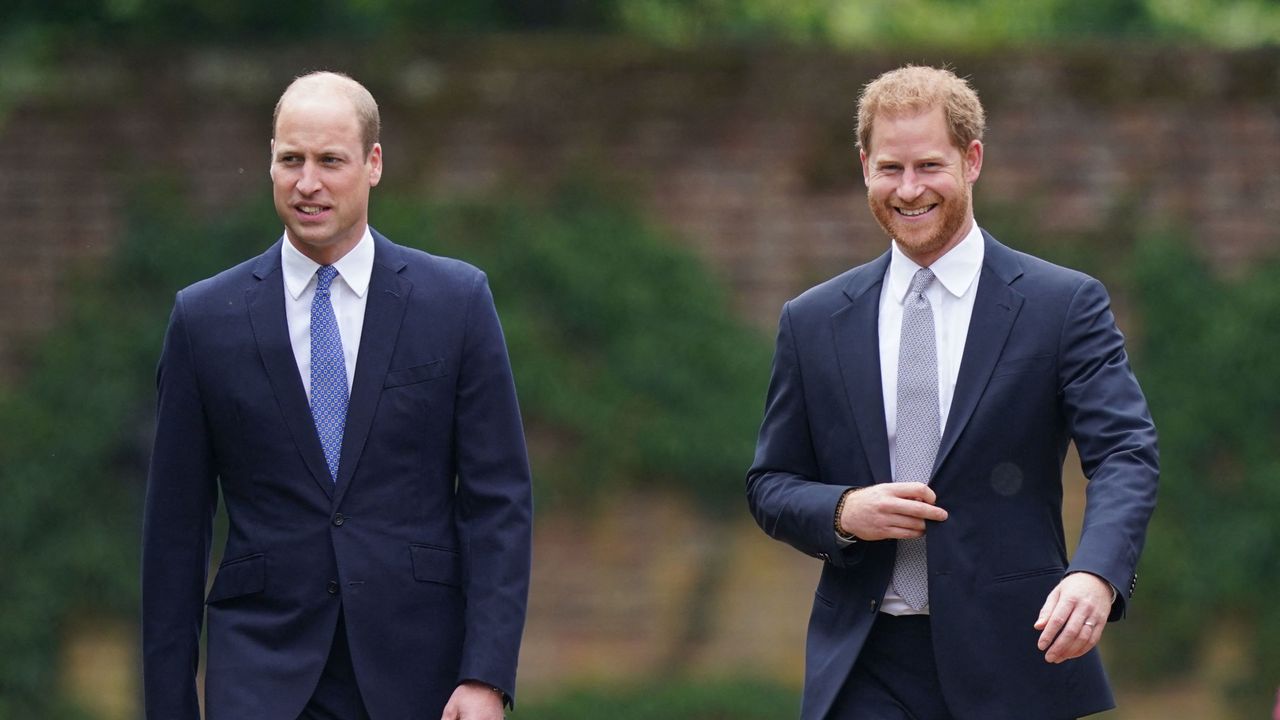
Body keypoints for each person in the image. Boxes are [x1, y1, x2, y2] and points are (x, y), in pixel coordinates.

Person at [745, 65, 1158, 720]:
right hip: (863, 662)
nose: (908, 190)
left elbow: (1126, 454)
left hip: (1016, 657)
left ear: (972, 161)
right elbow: (770, 484)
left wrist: (1096, 574)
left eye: (928, 166)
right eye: (890, 168)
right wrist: (843, 510)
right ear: (863, 167)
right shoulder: (812, 321)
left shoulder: (1061, 306)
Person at [141, 71, 533, 720]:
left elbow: (499, 503)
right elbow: (173, 536)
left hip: (420, 672)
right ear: (270, 160)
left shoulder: (456, 302)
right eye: (290, 160)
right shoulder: (204, 319)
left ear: (373, 163)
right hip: (260, 672)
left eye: (330, 160)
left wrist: (486, 675)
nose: (308, 182)